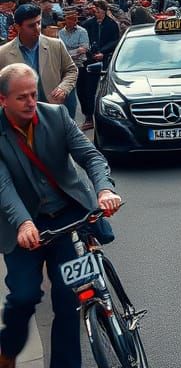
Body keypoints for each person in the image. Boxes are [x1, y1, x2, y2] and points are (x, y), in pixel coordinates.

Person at [0, 63, 122, 368]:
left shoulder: (55, 116)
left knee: (70, 300)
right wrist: (24, 222)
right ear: (2, 101)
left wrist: (104, 189)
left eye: (33, 94)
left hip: (68, 218)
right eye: (21, 97)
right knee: (24, 297)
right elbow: (3, 187)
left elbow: (90, 156)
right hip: (22, 226)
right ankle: (8, 350)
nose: (31, 102)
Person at [0, 5, 78, 113]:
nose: (37, 28)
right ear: (17, 27)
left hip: (52, 110)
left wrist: (64, 88)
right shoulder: (3, 53)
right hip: (19, 115)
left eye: (39, 23)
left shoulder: (56, 45)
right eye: (31, 26)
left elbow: (71, 70)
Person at [79, 0, 120, 130]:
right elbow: (85, 41)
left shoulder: (112, 24)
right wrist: (90, 52)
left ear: (104, 10)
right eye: (94, 11)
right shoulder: (88, 24)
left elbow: (114, 41)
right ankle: (89, 117)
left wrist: (103, 52)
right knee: (86, 89)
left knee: (105, 89)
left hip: (105, 60)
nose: (96, 13)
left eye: (98, 11)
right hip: (90, 60)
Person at [57, 10, 90, 120]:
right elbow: (60, 50)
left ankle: (86, 116)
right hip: (65, 66)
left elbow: (83, 49)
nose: (72, 21)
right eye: (69, 19)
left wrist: (68, 52)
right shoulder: (60, 33)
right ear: (65, 20)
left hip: (79, 64)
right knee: (68, 91)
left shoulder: (82, 31)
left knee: (81, 92)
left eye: (74, 19)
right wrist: (74, 52)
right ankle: (67, 118)